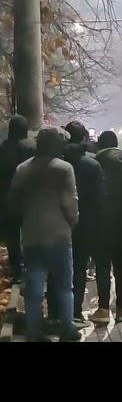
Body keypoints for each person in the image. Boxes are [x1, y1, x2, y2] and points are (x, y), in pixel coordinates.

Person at [8, 127, 81, 342]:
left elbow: (13, 201)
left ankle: (33, 332)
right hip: (59, 235)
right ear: (57, 145)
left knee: (34, 288)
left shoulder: (22, 169)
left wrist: (27, 218)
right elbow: (70, 203)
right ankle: (67, 328)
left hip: (32, 236)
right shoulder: (64, 168)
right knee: (64, 286)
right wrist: (72, 223)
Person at [90, 131, 122, 324]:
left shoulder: (96, 168)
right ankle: (121, 310)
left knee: (102, 267)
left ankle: (103, 308)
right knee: (121, 269)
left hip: (101, 226)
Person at [63, 121, 106, 322]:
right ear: (83, 139)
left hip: (62, 223)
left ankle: (67, 312)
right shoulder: (93, 164)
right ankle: (83, 310)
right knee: (84, 267)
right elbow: (100, 197)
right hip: (89, 223)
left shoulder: (59, 162)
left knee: (67, 270)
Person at [0, 114, 36, 284]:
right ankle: (33, 266)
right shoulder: (32, 149)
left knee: (12, 236)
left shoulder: (3, 150)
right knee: (31, 233)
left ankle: (18, 269)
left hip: (7, 200)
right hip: (30, 200)